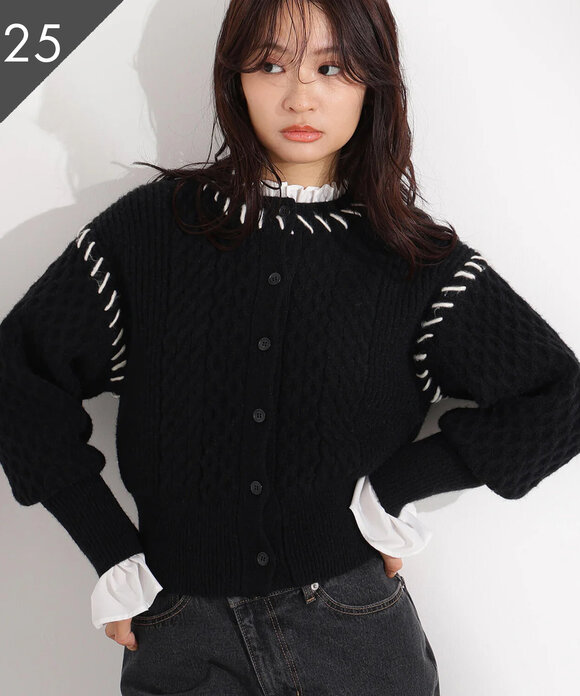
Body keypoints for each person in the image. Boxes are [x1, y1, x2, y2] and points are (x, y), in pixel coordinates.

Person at [1, 1, 579, 694]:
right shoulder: (151, 234)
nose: (301, 96)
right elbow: (15, 376)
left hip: (354, 627)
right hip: (181, 629)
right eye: (271, 64)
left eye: (332, 68)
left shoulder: (417, 265)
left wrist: (398, 489)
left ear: (374, 81)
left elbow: (561, 398)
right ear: (235, 78)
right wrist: (108, 549)